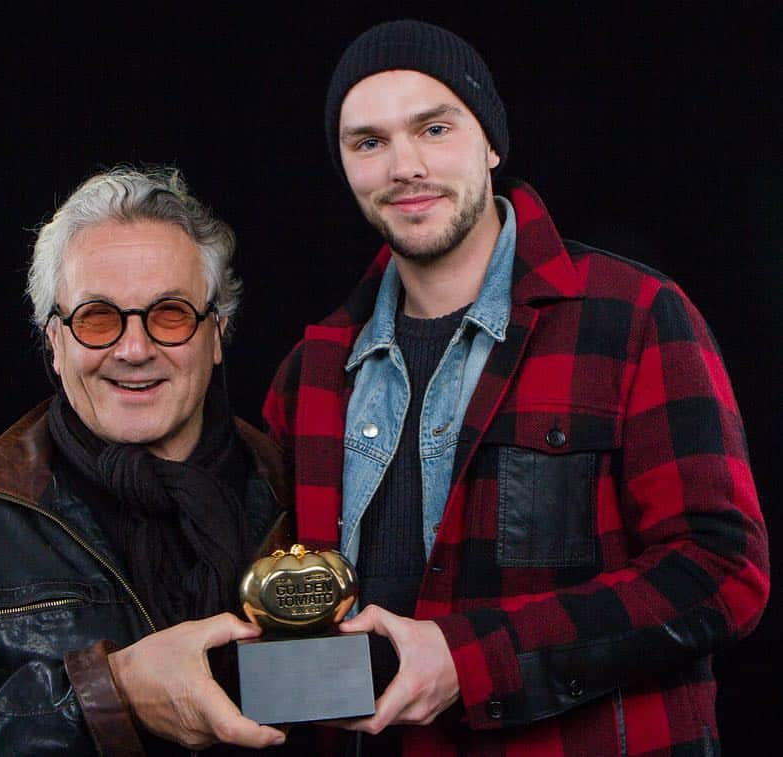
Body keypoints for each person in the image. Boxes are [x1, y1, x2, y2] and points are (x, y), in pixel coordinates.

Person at [262, 19, 770, 757]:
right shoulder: (310, 370)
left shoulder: (633, 317)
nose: (403, 165)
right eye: (367, 142)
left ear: (491, 143)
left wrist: (468, 660)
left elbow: (723, 572)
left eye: (433, 128)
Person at [0, 166, 295, 755]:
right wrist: (105, 694)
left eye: (170, 314)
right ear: (54, 340)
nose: (134, 349)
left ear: (217, 333)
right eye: (98, 319)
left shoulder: (300, 493)